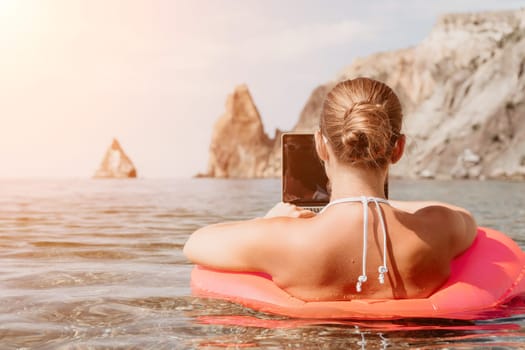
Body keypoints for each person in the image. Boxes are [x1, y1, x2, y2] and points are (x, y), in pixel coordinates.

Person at [184, 77, 477, 301]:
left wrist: (268, 221)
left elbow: (195, 243)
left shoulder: (282, 239)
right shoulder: (439, 230)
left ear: (321, 145)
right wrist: (387, 206)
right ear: (398, 148)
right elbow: (464, 216)